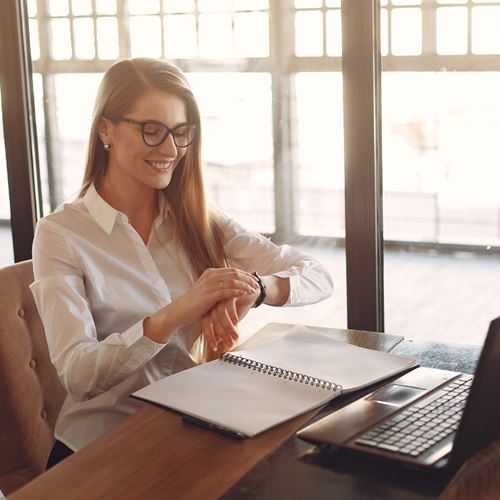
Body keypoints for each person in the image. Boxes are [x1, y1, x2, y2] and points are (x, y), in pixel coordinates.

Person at [30, 58, 333, 468]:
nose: (170, 150)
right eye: (151, 131)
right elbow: (79, 375)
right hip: (98, 451)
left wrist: (256, 288)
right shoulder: (61, 234)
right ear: (106, 129)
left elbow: (317, 274)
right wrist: (176, 313)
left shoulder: (197, 220)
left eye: (180, 132)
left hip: (187, 429)